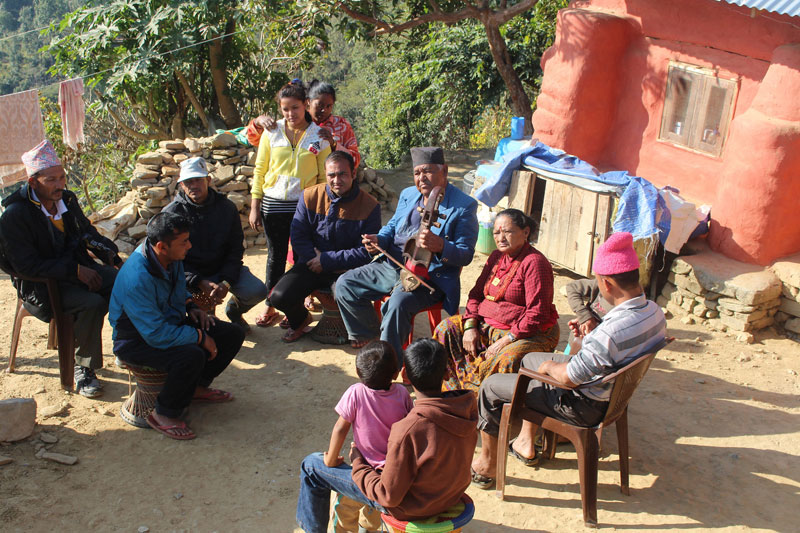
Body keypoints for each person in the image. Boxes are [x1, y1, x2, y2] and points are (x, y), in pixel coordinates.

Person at [469, 232, 667, 488]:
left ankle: (488, 465)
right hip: (612, 394)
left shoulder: (610, 333)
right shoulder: (654, 312)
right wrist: (585, 343)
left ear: (606, 285)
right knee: (529, 359)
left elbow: (568, 378)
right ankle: (526, 441)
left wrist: (550, 366)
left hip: (583, 404)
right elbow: (604, 351)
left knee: (492, 386)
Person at [296, 338, 478, 532]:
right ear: (447, 373)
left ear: (405, 373)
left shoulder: (407, 429)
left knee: (311, 465)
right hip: (447, 496)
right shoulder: (465, 409)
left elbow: (387, 495)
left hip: (408, 505)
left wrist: (358, 463)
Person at [0, 139, 121, 397]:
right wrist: (75, 271)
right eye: (51, 180)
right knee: (91, 304)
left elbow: (85, 231)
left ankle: (126, 347)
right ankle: (83, 368)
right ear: (33, 182)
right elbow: (26, 265)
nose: (59, 185)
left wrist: (110, 253)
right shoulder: (15, 215)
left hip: (75, 271)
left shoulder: (66, 199)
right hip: (41, 286)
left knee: (123, 284)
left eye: (62, 177)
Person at [108, 212, 245, 440]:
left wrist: (191, 307)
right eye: (184, 242)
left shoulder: (171, 258)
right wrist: (199, 337)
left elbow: (178, 287)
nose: (189, 246)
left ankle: (195, 388)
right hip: (135, 340)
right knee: (191, 355)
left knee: (231, 334)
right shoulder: (137, 277)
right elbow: (156, 335)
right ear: (162, 246)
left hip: (166, 323)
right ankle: (163, 413)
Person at [335, 147, 478, 361]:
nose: (422, 178)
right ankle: (369, 335)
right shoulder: (408, 194)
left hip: (428, 277)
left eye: (428, 171)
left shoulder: (464, 206)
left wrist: (440, 245)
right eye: (417, 173)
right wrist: (379, 239)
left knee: (397, 304)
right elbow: (392, 226)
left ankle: (389, 364)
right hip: (392, 264)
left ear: (444, 171)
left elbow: (465, 254)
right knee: (344, 283)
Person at [433, 208, 560, 392]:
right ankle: (454, 393)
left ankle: (486, 405)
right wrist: (470, 327)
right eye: (496, 232)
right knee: (446, 329)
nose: (501, 238)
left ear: (525, 232)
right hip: (488, 325)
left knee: (507, 358)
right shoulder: (495, 257)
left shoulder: (535, 262)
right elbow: (476, 294)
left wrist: (506, 340)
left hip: (526, 333)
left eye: (507, 231)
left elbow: (536, 313)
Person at [269, 151, 380, 342]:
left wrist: (326, 260)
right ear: (325, 174)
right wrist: (314, 259)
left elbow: (365, 252)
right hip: (311, 264)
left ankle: (358, 331)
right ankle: (301, 320)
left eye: (342, 174)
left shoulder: (370, 206)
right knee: (278, 296)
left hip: (346, 270)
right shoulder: (309, 196)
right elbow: (298, 235)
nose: (337, 180)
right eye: (332, 175)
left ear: (353, 173)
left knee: (349, 295)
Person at [248, 81, 332, 328]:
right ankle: (270, 305)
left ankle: (294, 304)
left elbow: (323, 177)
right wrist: (255, 205)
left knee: (302, 257)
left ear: (305, 105)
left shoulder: (319, 136)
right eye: (284, 109)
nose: (289, 114)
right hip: (272, 206)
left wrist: (318, 209)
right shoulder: (271, 133)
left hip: (303, 208)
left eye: (294, 108)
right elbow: (260, 169)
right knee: (275, 256)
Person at [162, 156, 267, 332]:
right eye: (188, 182)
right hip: (190, 277)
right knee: (205, 323)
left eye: (198, 180)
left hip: (222, 270)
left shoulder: (226, 208)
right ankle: (204, 317)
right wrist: (198, 281)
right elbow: (170, 259)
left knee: (256, 291)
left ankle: (234, 311)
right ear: (181, 185)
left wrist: (226, 282)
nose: (193, 186)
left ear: (208, 180)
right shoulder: (172, 214)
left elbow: (235, 249)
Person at [324, 341, 413, 532]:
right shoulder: (402, 394)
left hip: (361, 469)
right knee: (374, 512)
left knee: (344, 512)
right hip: (390, 474)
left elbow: (341, 427)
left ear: (358, 373)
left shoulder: (356, 392)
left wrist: (331, 459)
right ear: (396, 372)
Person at [246, 79, 361, 170]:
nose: (324, 110)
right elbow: (254, 140)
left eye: (329, 106)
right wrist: (258, 121)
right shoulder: (292, 122)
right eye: (320, 105)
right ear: (308, 102)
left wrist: (334, 144)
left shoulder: (341, 125)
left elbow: (355, 160)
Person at [564, 277, 611, 354]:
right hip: (575, 341)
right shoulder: (600, 283)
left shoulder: (626, 309)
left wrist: (592, 326)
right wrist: (584, 316)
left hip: (594, 351)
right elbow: (572, 287)